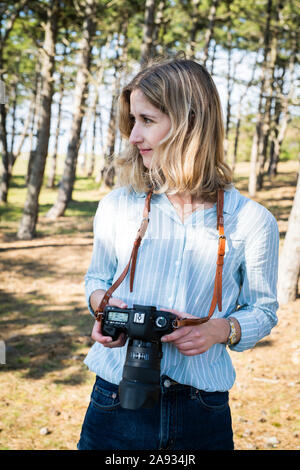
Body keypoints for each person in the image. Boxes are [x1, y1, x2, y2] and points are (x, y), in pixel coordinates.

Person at [77, 56, 279, 451]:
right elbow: (96, 281)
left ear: (190, 123)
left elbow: (264, 310)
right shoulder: (117, 206)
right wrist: (103, 307)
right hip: (115, 398)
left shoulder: (252, 220)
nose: (134, 136)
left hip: (200, 410)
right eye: (132, 121)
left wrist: (220, 330)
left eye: (147, 121)